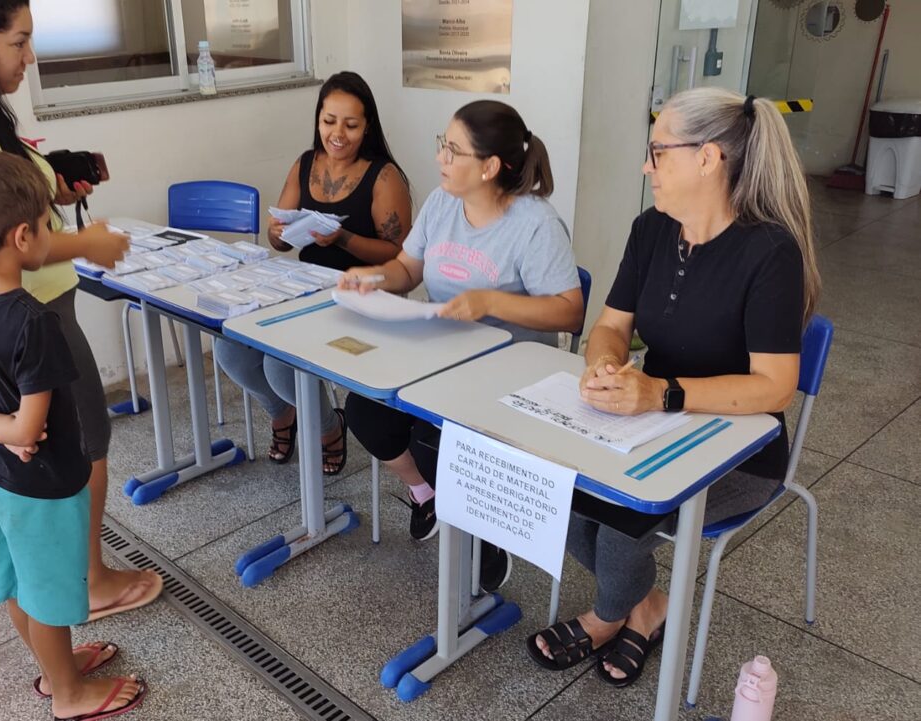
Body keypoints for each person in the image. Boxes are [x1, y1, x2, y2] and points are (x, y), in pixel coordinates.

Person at [525, 88, 821, 688]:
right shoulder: (653, 230)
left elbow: (774, 388)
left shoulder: (770, 252)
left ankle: (609, 615)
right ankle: (648, 605)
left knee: (621, 519)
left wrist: (661, 393)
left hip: (740, 452)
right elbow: (610, 326)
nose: (646, 166)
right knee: (564, 492)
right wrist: (604, 366)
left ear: (708, 158)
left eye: (657, 152)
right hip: (648, 419)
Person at [0, 0, 163, 626]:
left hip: (10, 313)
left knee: (56, 449)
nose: (29, 57)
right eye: (18, 42)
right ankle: (85, 582)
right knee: (75, 446)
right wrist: (84, 243)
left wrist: (50, 188)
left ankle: (71, 581)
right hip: (29, 313)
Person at [0, 152, 146, 720]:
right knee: (45, 591)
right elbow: (27, 427)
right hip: (43, 482)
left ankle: (57, 669)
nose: (53, 234)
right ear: (23, 236)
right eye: (49, 224)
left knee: (21, 581)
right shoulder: (33, 321)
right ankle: (69, 695)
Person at [339, 100, 584, 590]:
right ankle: (428, 495)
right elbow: (409, 269)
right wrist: (374, 278)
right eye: (442, 145)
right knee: (366, 411)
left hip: (506, 371)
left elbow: (569, 309)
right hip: (439, 354)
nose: (441, 159)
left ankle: (483, 531)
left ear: (491, 167)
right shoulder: (441, 203)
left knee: (434, 434)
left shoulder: (535, 223)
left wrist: (492, 301)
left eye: (454, 150)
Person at [214, 71, 412, 475]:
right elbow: (281, 242)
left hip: (365, 297)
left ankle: (327, 429)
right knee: (230, 348)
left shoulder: (385, 176)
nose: (337, 134)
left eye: (351, 125)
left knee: (277, 365)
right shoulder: (305, 163)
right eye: (329, 121)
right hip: (306, 290)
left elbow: (398, 255)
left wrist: (342, 240)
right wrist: (278, 232)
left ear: (367, 126)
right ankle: (282, 412)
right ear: (318, 119)